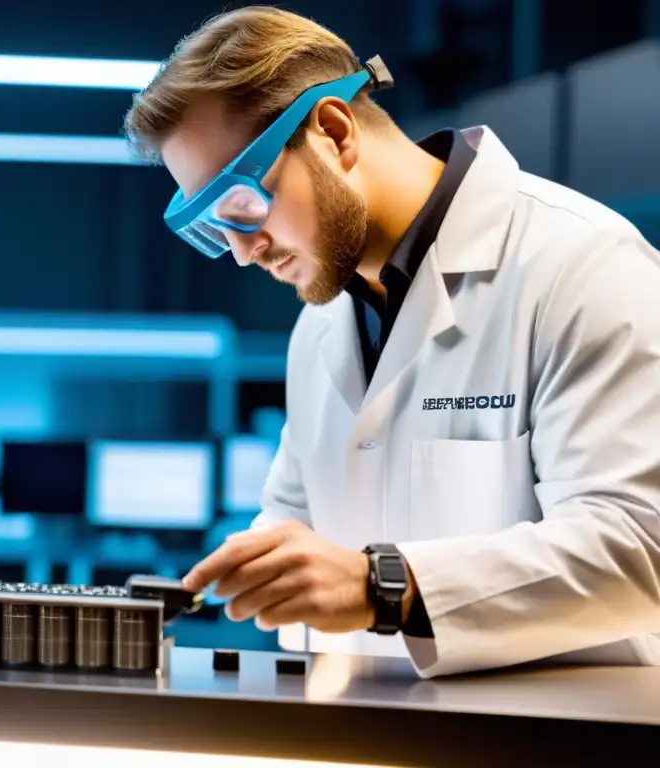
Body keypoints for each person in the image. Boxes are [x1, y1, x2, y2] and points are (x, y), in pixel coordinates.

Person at [123, 5, 660, 678]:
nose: (241, 252)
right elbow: (295, 519)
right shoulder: (321, 324)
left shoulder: (582, 268)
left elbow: (639, 549)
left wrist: (384, 586)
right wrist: (245, 571)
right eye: (213, 226)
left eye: (241, 204)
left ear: (333, 130)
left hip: (562, 736)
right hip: (371, 731)